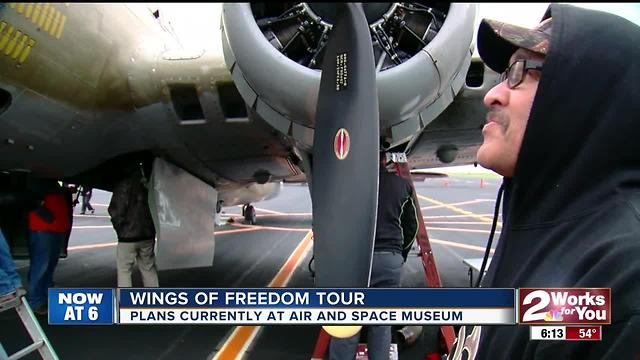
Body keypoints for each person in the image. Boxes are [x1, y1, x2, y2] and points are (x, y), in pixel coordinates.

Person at [447, 4, 640, 359]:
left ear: (584, 96)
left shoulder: (624, 275)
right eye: (505, 73)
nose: (492, 94)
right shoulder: (541, 229)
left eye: (522, 71)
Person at [330, 151, 419, 360]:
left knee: (347, 323)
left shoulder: (346, 184)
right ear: (384, 160)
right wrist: (399, 254)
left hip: (354, 261)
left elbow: (333, 223)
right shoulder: (402, 185)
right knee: (381, 324)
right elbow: (411, 226)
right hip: (390, 260)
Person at [109, 163, 159, 287]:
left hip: (127, 236)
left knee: (124, 271)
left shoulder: (123, 185)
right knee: (148, 269)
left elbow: (115, 210)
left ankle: (126, 302)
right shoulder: (149, 185)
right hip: (147, 234)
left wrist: (120, 229)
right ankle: (154, 300)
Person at [27, 181, 72, 315]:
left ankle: (45, 297)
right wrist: (48, 217)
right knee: (41, 265)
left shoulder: (53, 185)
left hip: (55, 228)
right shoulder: (40, 184)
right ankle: (36, 301)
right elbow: (32, 201)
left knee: (49, 265)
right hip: (44, 228)